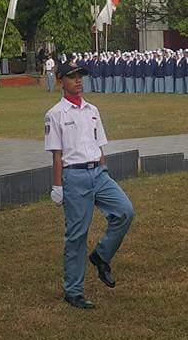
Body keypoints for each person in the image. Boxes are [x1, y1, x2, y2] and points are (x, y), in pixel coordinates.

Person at [45, 61, 135, 309]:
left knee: (125, 211)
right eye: (72, 77)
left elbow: (100, 144)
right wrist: (57, 186)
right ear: (61, 80)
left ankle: (101, 255)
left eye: (80, 76)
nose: (78, 81)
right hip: (74, 176)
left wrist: (103, 169)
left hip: (98, 172)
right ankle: (73, 291)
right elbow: (56, 154)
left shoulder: (92, 109)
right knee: (77, 234)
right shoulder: (55, 114)